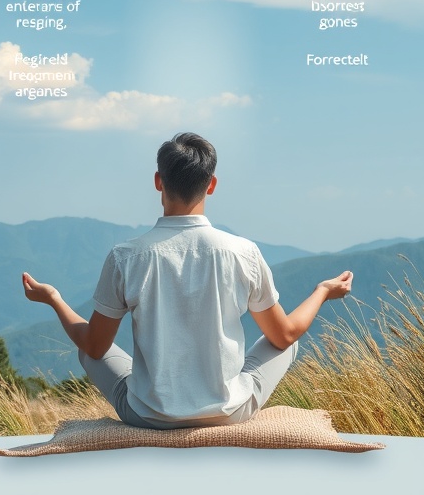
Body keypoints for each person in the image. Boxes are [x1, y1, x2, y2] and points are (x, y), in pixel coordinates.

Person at [22, 131, 353, 429]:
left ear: (157, 181)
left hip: (147, 415)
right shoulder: (243, 253)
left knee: (86, 348)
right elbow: (284, 335)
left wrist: (54, 299)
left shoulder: (126, 257)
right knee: (287, 341)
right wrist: (322, 291)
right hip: (229, 412)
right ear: (211, 184)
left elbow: (95, 346)